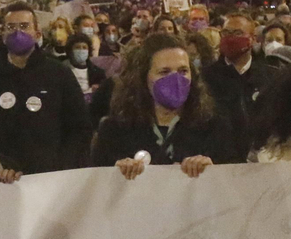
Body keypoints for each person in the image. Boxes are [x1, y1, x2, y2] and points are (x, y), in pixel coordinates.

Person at [92, 32, 238, 179]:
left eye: (183, 71)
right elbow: (95, 186)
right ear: (143, 77)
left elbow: (233, 185)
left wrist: (215, 170)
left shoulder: (214, 125)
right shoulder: (114, 130)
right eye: (164, 72)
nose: (175, 79)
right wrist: (114, 174)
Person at [0, 2, 92, 173]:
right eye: (11, 27)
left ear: (37, 33)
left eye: (24, 26)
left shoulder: (59, 73)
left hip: (48, 176)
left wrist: (62, 165)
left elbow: (79, 127)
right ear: (3, 34)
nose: (17, 32)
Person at [204, 12, 282, 135]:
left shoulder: (270, 76)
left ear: (252, 39)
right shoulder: (206, 77)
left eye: (238, 33)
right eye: (226, 33)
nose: (230, 38)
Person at [65, 32, 106, 96]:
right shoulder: (62, 69)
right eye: (77, 47)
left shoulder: (98, 72)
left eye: (84, 48)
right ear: (70, 50)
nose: (81, 50)